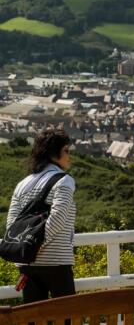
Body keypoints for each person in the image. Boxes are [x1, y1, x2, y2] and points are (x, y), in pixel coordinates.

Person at [6, 128, 77, 303]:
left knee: (33, 322)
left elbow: (11, 225)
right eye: (66, 151)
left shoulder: (22, 184)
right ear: (54, 154)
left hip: (27, 265)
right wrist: (37, 244)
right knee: (68, 319)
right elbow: (58, 218)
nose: (69, 156)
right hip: (56, 262)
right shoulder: (64, 180)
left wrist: (26, 248)